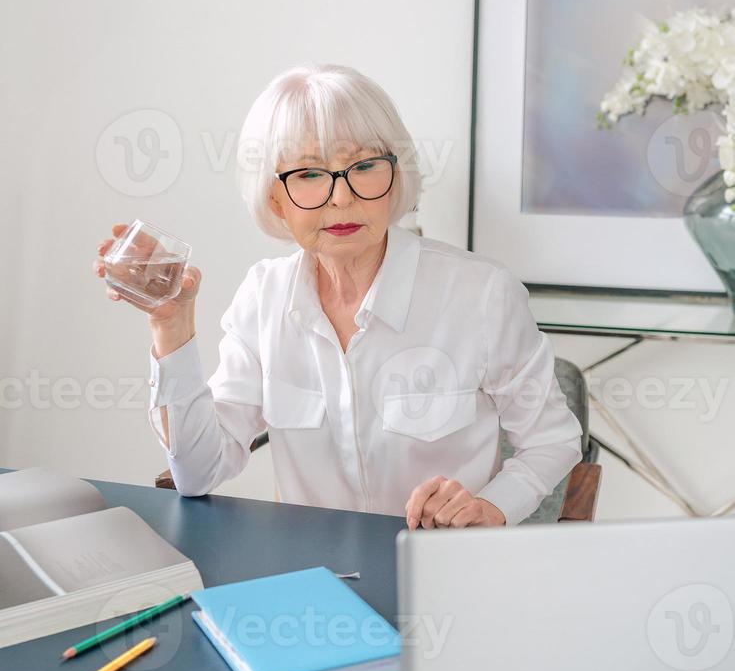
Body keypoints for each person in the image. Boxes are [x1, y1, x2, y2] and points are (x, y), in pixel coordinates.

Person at [93, 63, 583, 529]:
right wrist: (170, 324)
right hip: (317, 580)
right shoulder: (264, 297)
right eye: (308, 174)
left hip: (444, 572)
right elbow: (197, 472)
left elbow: (552, 439)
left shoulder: (481, 294)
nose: (340, 197)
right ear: (275, 199)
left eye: (364, 165)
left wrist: (489, 508)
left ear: (396, 177)